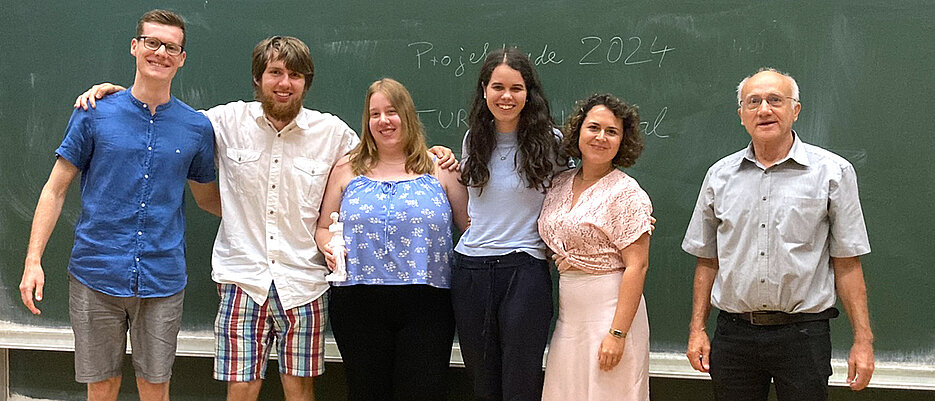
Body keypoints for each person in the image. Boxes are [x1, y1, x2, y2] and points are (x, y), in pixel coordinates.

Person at [74, 38, 456, 401]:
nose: (284, 83)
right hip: (242, 278)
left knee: (299, 390)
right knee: (242, 389)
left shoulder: (333, 134)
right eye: (275, 72)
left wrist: (434, 154)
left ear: (306, 83)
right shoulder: (224, 122)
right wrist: (120, 97)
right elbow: (166, 120)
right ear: (258, 78)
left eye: (295, 75)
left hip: (304, 284)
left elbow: (383, 157)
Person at [18, 9, 217, 401]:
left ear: (182, 58)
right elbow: (55, 190)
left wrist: (269, 219)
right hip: (95, 274)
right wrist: (32, 260)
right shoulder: (94, 112)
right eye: (152, 43)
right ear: (134, 47)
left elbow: (206, 197)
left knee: (155, 387)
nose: (160, 53)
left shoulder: (196, 127)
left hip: (162, 279)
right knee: (102, 386)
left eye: (171, 47)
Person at [682, 68, 875, 401]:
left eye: (775, 100)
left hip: (803, 336)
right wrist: (697, 329)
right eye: (753, 102)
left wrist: (863, 340)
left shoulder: (833, 173)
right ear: (741, 115)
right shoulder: (718, 176)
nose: (764, 110)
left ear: (795, 110)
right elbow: (707, 260)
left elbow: (847, 262)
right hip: (734, 336)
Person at [315, 78, 469, 401]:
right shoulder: (346, 169)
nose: (383, 121)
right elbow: (324, 227)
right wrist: (329, 246)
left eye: (392, 111)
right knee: (365, 392)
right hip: (357, 303)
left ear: (407, 115)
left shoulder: (440, 169)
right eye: (375, 114)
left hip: (428, 304)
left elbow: (471, 229)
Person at [452, 47, 567, 401]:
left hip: (524, 270)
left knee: (521, 383)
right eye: (498, 87)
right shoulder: (474, 138)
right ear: (484, 90)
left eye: (516, 88)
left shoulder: (551, 142)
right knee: (483, 385)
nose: (506, 96)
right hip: (471, 270)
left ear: (529, 93)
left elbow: (575, 191)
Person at [538, 93, 652, 401]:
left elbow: (637, 265)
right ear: (578, 131)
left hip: (611, 313)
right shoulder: (559, 183)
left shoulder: (627, 193)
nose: (601, 137)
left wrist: (617, 334)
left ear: (622, 141)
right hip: (570, 318)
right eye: (594, 128)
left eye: (611, 131)